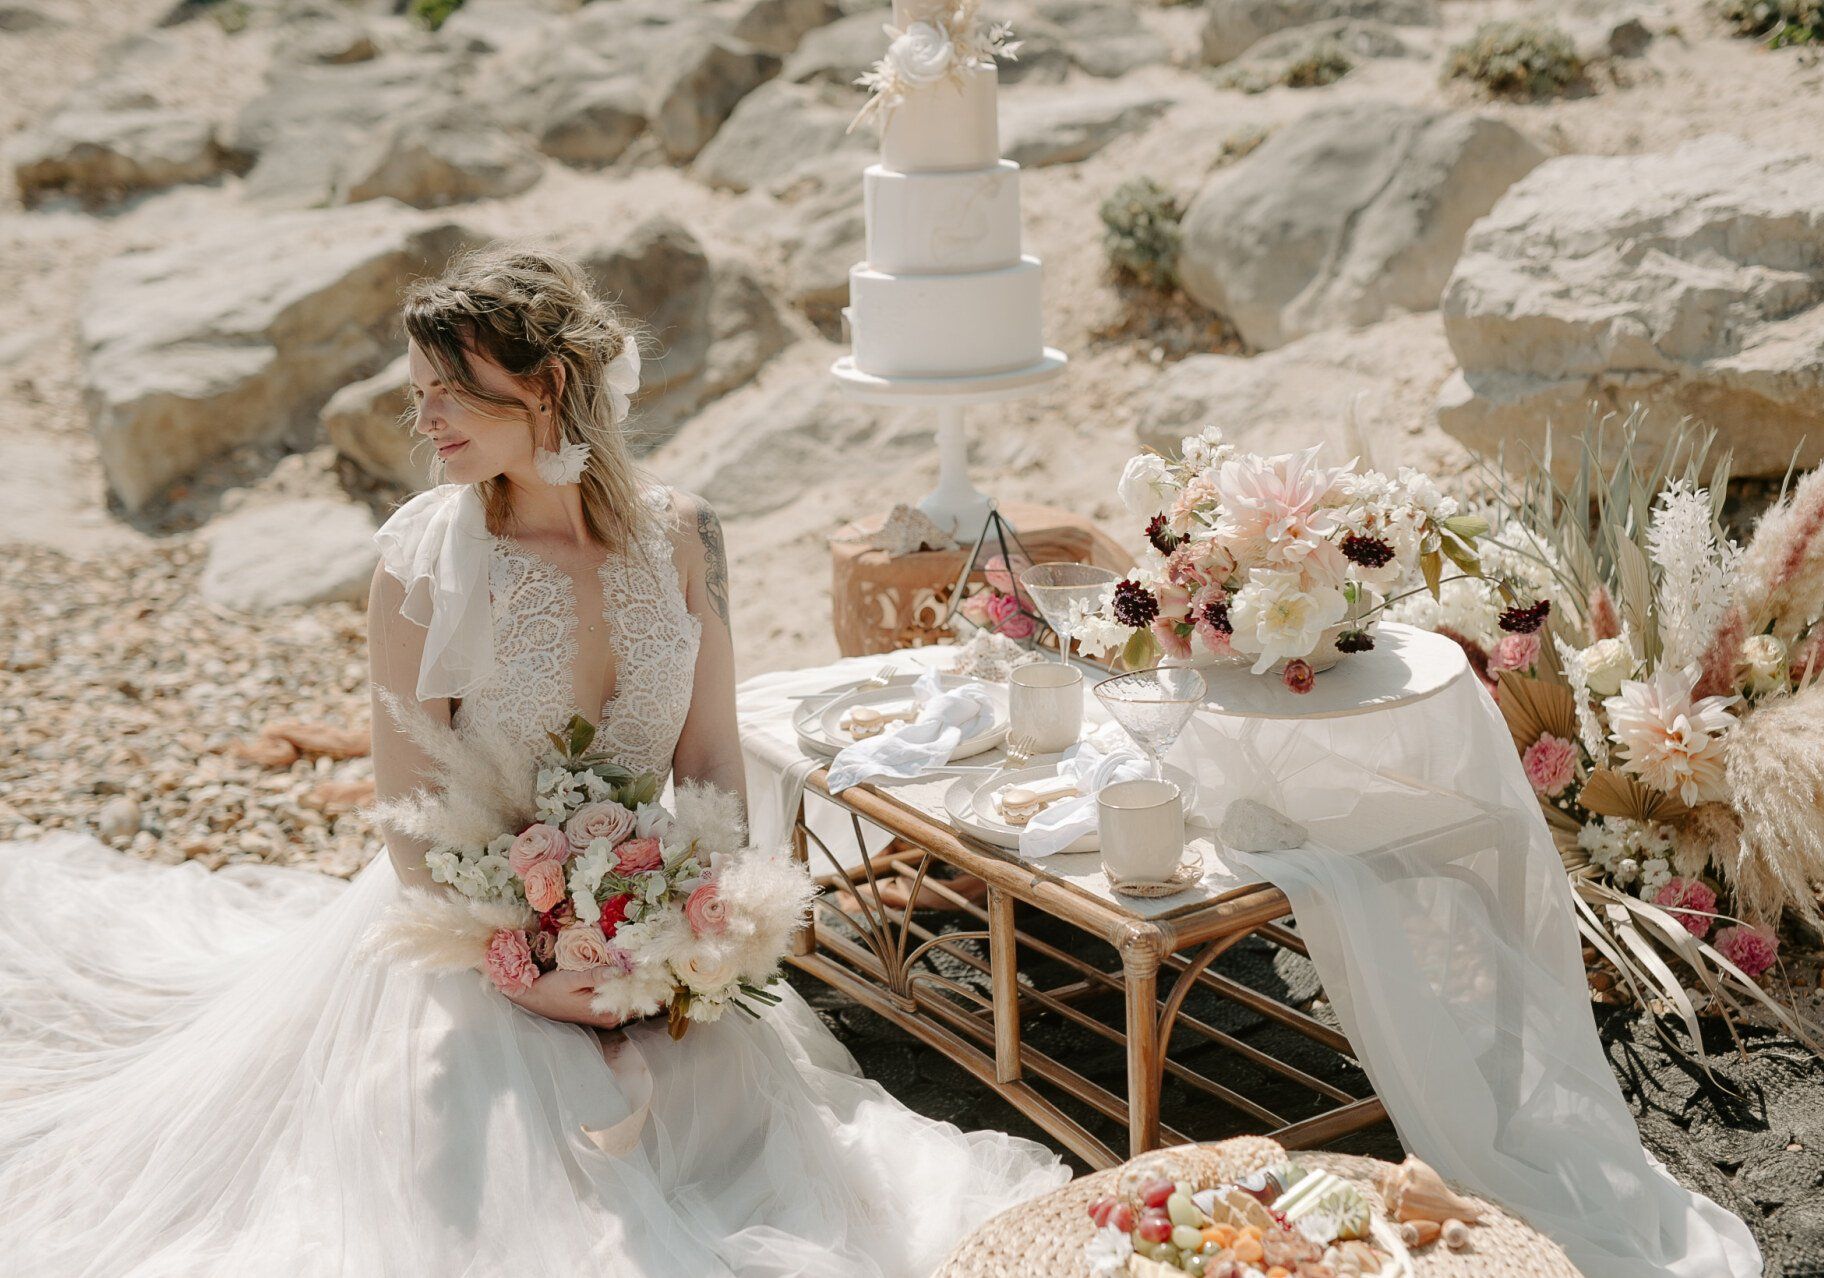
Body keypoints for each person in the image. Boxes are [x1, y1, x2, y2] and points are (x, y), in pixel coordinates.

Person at [0, 243, 1069, 1276]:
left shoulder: (686, 535)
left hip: (649, 924)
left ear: (547, 383)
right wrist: (530, 970)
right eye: (417, 393)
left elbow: (709, 767)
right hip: (468, 942)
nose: (423, 422)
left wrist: (694, 937)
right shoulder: (422, 559)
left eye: (450, 392)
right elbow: (408, 814)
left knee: (747, 1167)